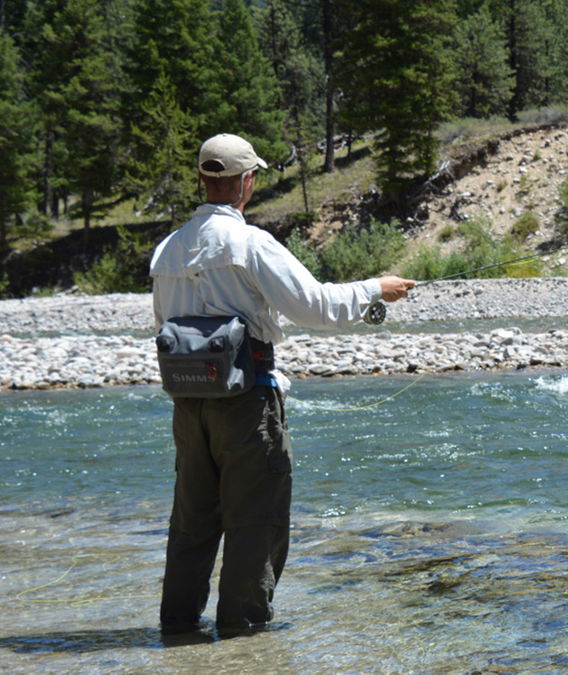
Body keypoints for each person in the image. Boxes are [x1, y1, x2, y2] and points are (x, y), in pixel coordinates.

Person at [149, 133, 415, 636]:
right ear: (247, 182)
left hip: (188, 404)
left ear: (203, 180)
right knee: (256, 520)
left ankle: (177, 628)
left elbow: (163, 325)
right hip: (247, 402)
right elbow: (315, 307)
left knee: (192, 521)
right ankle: (243, 637)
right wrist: (375, 290)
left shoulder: (166, 250)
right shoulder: (251, 244)